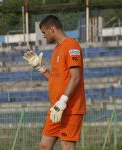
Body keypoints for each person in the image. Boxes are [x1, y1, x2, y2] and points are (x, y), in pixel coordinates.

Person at [23, 15, 86, 150]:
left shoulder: (71, 45)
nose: (44, 36)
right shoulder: (57, 49)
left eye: (44, 32)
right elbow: (55, 78)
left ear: (52, 29)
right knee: (44, 146)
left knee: (67, 146)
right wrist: (40, 68)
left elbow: (76, 77)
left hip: (70, 108)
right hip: (56, 108)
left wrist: (63, 101)